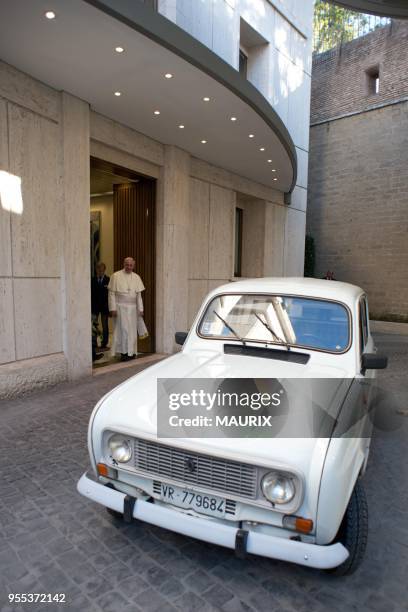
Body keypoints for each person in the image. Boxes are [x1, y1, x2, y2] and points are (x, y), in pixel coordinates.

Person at [108, 257, 146, 361]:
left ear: (133, 266)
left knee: (132, 331)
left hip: (133, 309)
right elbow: (111, 294)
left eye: (131, 265)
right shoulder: (115, 276)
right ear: (124, 264)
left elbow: (139, 296)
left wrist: (141, 309)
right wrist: (112, 308)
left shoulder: (137, 277)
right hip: (120, 308)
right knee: (123, 330)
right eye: (127, 265)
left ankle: (132, 352)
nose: (129, 267)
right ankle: (124, 353)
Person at [91, 262, 110, 349]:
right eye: (98, 270)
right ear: (96, 270)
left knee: (104, 325)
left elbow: (110, 294)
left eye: (102, 270)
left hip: (105, 307)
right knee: (94, 325)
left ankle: (104, 343)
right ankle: (94, 343)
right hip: (94, 307)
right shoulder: (92, 280)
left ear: (104, 270)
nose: (100, 272)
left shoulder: (108, 280)